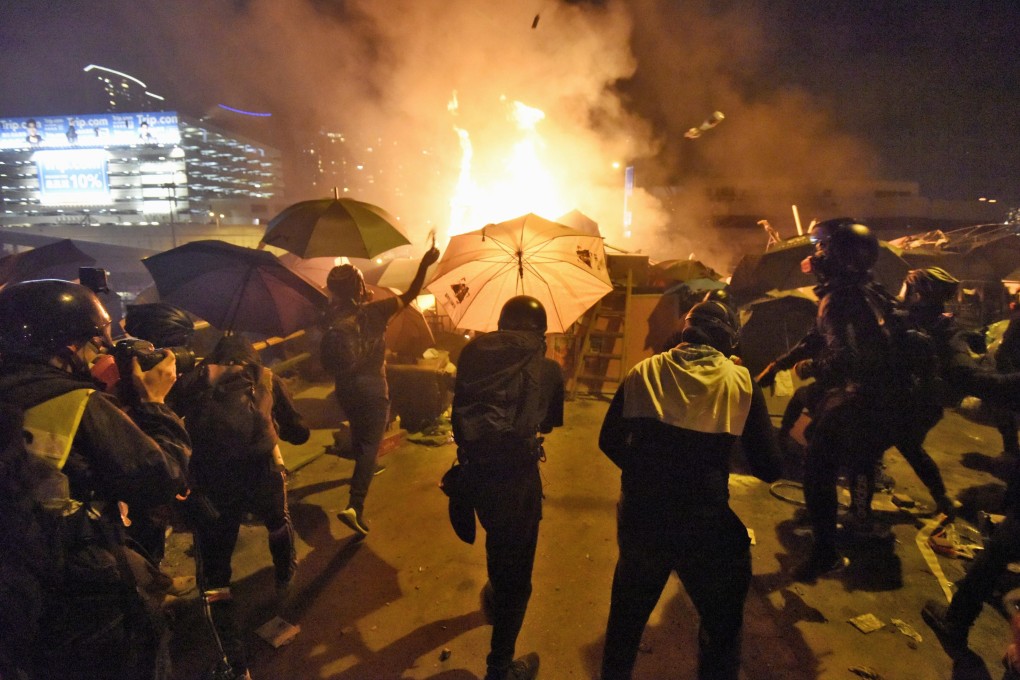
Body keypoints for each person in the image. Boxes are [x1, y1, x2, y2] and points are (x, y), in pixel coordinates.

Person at [0, 279, 192, 679]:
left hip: (19, 591)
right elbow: (160, 478)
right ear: (69, 346)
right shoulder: (76, 404)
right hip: (82, 592)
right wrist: (154, 403)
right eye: (96, 343)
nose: (101, 353)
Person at [598, 300, 782, 680]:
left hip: (642, 517)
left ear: (686, 331)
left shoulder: (643, 371)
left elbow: (608, 440)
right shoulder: (740, 382)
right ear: (729, 341)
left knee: (626, 619)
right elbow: (769, 468)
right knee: (722, 624)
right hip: (704, 522)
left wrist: (645, 473)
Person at [172, 333, 308, 678]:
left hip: (212, 485)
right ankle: (284, 576)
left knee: (214, 578)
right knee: (278, 521)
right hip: (262, 474)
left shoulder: (194, 381)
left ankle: (234, 666)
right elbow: (298, 432)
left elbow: (163, 418)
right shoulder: (266, 378)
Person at [451, 295, 564, 680]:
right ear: (541, 331)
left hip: (475, 476)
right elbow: (548, 424)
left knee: (496, 538)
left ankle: (495, 594)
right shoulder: (548, 369)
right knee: (519, 577)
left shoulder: (471, 354)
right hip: (517, 482)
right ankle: (499, 668)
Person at [784, 218, 901, 581]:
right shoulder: (867, 290)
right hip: (885, 399)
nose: (816, 256)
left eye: (822, 248)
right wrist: (777, 364)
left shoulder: (838, 299)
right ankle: (856, 521)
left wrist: (809, 367)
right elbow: (815, 337)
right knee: (851, 458)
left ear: (838, 256)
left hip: (859, 397)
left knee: (816, 469)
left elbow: (843, 357)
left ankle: (825, 555)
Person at [321, 245, 440, 536]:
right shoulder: (377, 311)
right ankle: (355, 506)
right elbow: (411, 294)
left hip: (345, 388)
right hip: (373, 387)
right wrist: (424, 264)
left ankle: (364, 468)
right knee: (370, 444)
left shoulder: (331, 318)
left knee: (361, 435)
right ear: (360, 287)